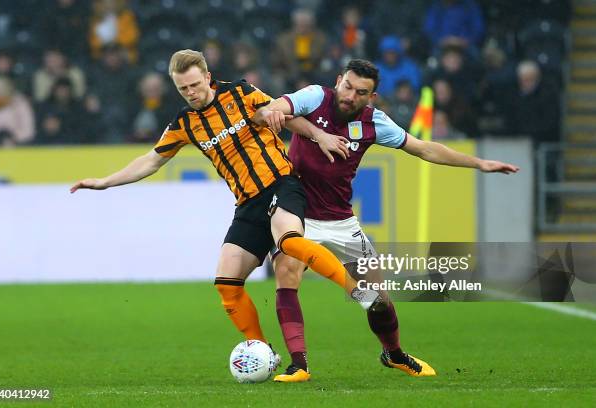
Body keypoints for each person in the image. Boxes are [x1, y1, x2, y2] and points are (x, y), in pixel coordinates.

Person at [70, 49, 374, 370]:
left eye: (195, 85)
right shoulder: (185, 123)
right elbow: (151, 160)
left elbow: (283, 113)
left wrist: (319, 134)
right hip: (247, 204)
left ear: (207, 78)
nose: (191, 93)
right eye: (183, 89)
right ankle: (263, 353)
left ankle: (358, 292)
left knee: (290, 243)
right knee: (226, 284)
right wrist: (105, 182)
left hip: (282, 184)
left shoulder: (240, 93)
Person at [252, 59, 519, 382]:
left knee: (377, 301)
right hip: (297, 211)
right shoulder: (314, 96)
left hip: (341, 220)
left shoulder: (374, 123)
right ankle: (299, 364)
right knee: (287, 273)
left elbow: (424, 149)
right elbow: (271, 110)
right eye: (347, 86)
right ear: (339, 81)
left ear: (372, 97)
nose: (350, 95)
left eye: (360, 92)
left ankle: (393, 354)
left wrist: (479, 163)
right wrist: (317, 134)